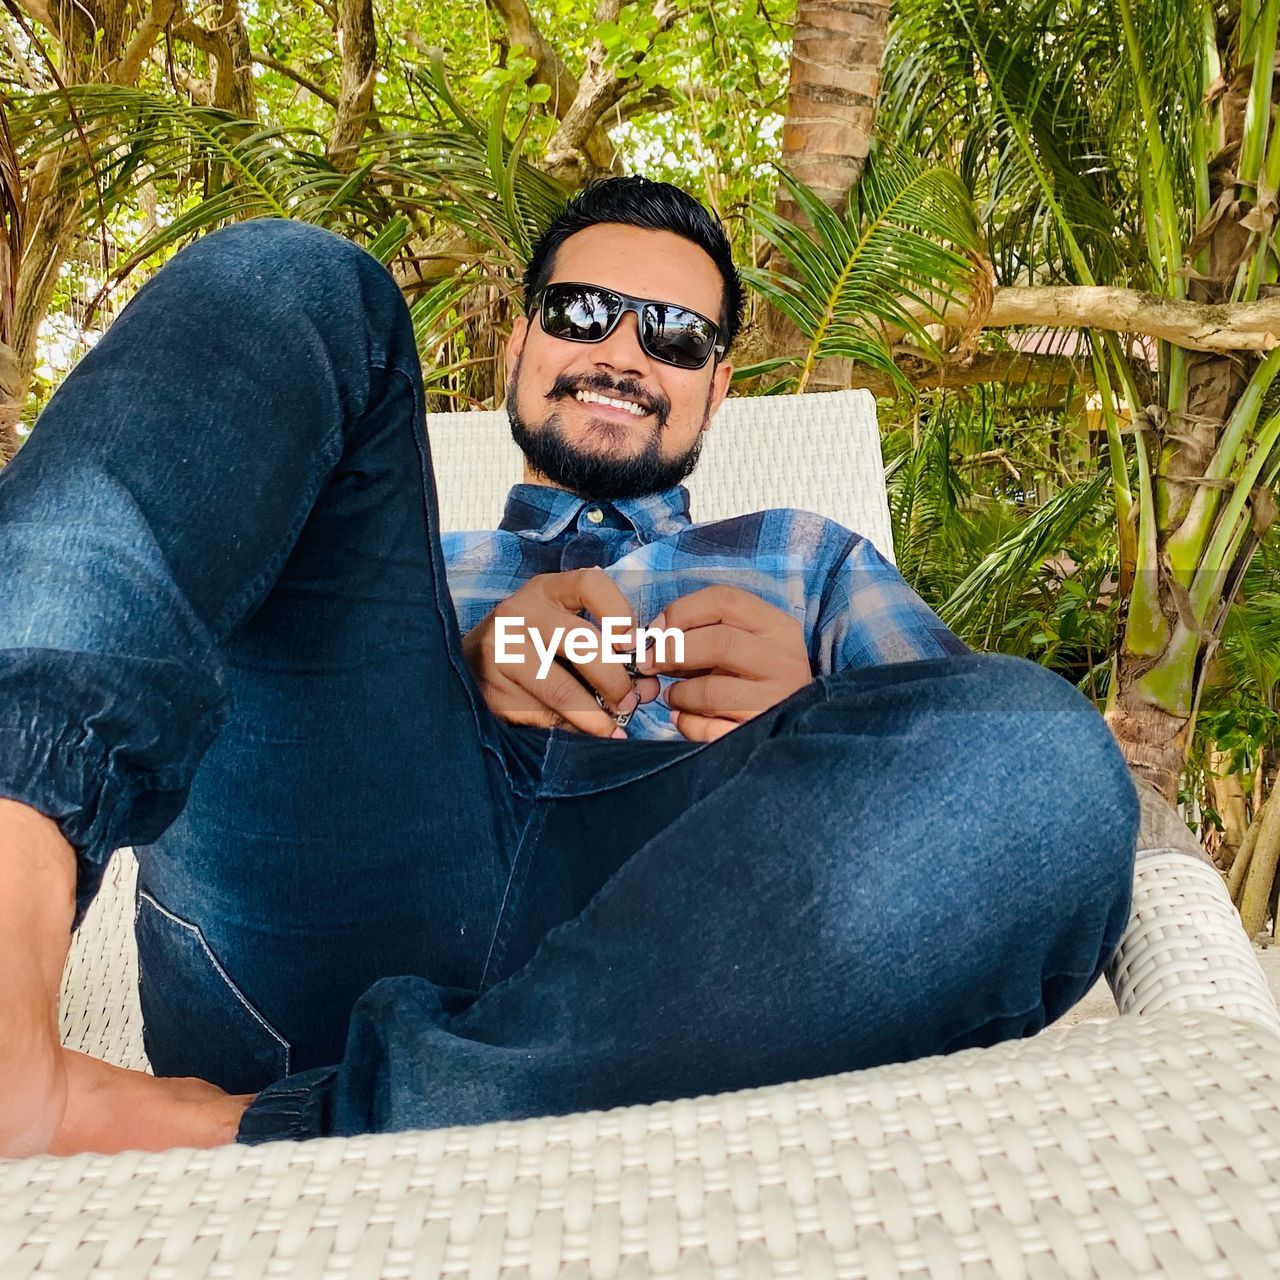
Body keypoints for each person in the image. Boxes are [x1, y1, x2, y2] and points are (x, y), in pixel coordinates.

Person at [0, 178, 1139, 1157]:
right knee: (286, 273)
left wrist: (807, 708)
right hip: (331, 904)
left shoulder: (806, 556)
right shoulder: (376, 559)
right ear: (518, 341)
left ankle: (276, 1126)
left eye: (673, 335)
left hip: (694, 953)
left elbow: (964, 810)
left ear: (717, 386)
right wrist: (452, 663)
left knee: (1040, 759)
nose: (621, 352)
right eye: (581, 312)